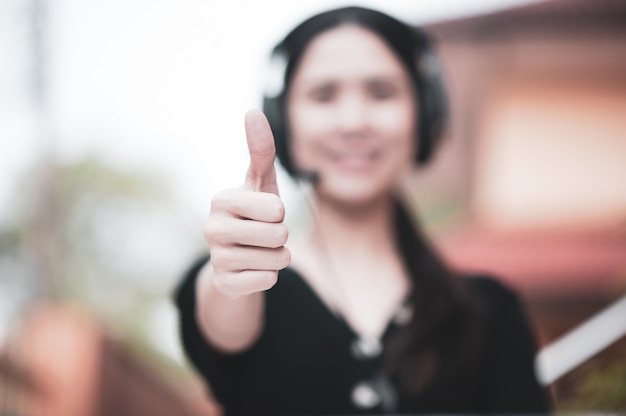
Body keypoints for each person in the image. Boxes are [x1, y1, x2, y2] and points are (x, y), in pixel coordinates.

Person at [174, 6, 550, 415]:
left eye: (382, 92)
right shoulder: (247, 284)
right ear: (285, 120)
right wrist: (232, 272)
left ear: (423, 113)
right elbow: (223, 309)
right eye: (323, 95)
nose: (353, 122)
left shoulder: (487, 310)